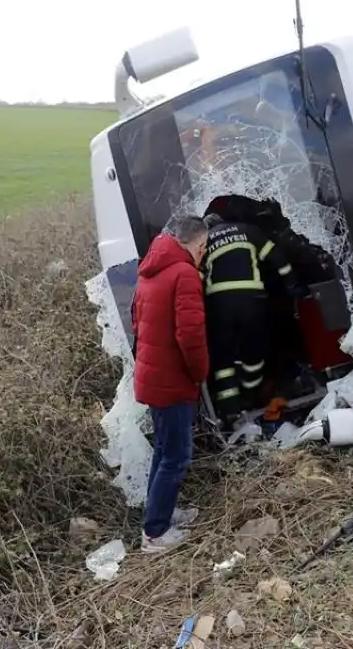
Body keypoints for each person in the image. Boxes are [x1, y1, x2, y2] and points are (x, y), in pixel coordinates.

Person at [130, 215, 210, 553]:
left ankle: (160, 513)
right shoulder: (185, 274)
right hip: (172, 381)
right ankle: (155, 533)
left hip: (152, 377)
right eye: (204, 249)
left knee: (164, 450)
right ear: (199, 245)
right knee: (176, 455)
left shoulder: (151, 270)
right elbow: (190, 335)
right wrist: (199, 372)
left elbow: (136, 320)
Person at [201, 213, 308, 413]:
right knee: (254, 352)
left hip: (220, 306)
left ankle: (230, 411)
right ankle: (251, 397)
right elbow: (276, 257)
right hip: (253, 302)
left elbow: (197, 277)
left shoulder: (203, 242)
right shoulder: (248, 230)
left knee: (223, 361)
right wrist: (292, 283)